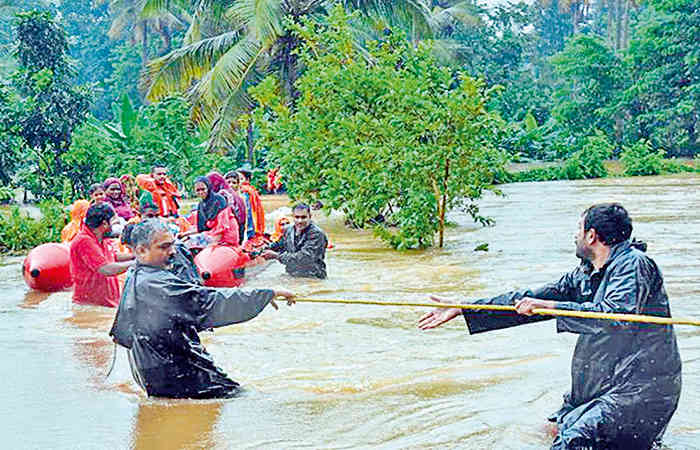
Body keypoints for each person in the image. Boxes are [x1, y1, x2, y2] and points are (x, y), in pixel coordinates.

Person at [418, 203, 682, 450]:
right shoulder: (587, 272)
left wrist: (552, 307)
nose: (574, 235)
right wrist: (466, 306)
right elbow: (531, 300)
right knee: (542, 432)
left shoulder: (634, 265)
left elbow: (615, 317)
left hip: (638, 391)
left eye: (578, 229)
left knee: (570, 441)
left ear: (591, 235)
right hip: (599, 388)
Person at [109, 219, 295, 399]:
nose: (173, 251)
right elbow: (207, 301)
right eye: (164, 247)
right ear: (141, 251)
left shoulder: (137, 273)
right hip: (174, 372)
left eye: (172, 244)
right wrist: (266, 294)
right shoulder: (155, 284)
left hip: (152, 368)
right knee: (247, 400)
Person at [69, 203, 135, 307]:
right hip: (91, 306)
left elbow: (113, 256)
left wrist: (135, 256)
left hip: (105, 302)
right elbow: (105, 269)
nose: (114, 228)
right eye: (114, 223)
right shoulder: (84, 241)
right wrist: (135, 263)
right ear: (104, 224)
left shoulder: (100, 237)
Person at [262, 203, 328, 279]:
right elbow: (279, 244)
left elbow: (304, 258)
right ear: (292, 217)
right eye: (297, 217)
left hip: (313, 277)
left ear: (310, 216)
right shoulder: (288, 230)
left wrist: (276, 256)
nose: (300, 221)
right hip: (291, 275)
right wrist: (264, 249)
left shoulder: (317, 234)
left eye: (303, 217)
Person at [190, 176, 239, 246]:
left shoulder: (219, 200)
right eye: (198, 190)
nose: (201, 192)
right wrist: (184, 234)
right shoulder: (201, 205)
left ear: (208, 188)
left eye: (203, 189)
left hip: (227, 235)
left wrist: (213, 244)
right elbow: (201, 228)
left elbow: (223, 226)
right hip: (213, 233)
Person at [208, 171, 246, 243]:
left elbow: (222, 223)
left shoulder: (223, 195)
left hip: (230, 234)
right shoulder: (233, 194)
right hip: (239, 233)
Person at [237, 167, 265, 240]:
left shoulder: (246, 191)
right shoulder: (251, 190)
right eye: (237, 179)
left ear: (247, 180)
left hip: (248, 227)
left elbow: (249, 212)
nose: (239, 181)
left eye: (241, 179)